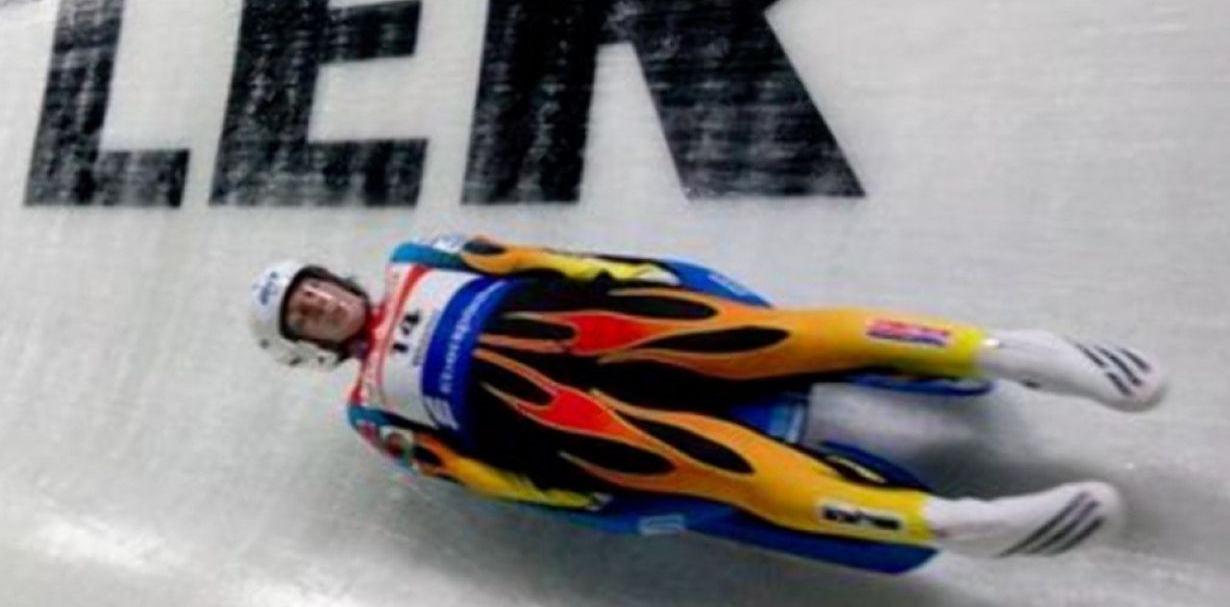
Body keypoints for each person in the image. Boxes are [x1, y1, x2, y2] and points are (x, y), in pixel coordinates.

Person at [247, 234, 1166, 567]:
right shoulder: (371, 412)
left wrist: (648, 275)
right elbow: (472, 472)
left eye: (313, 286)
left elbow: (540, 261)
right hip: (579, 428)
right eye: (304, 314)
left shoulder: (422, 256)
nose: (320, 302)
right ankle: (954, 523)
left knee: (795, 333)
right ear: (306, 345)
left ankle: (1015, 352)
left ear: (334, 275)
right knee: (730, 473)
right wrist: (575, 500)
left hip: (619, 328)